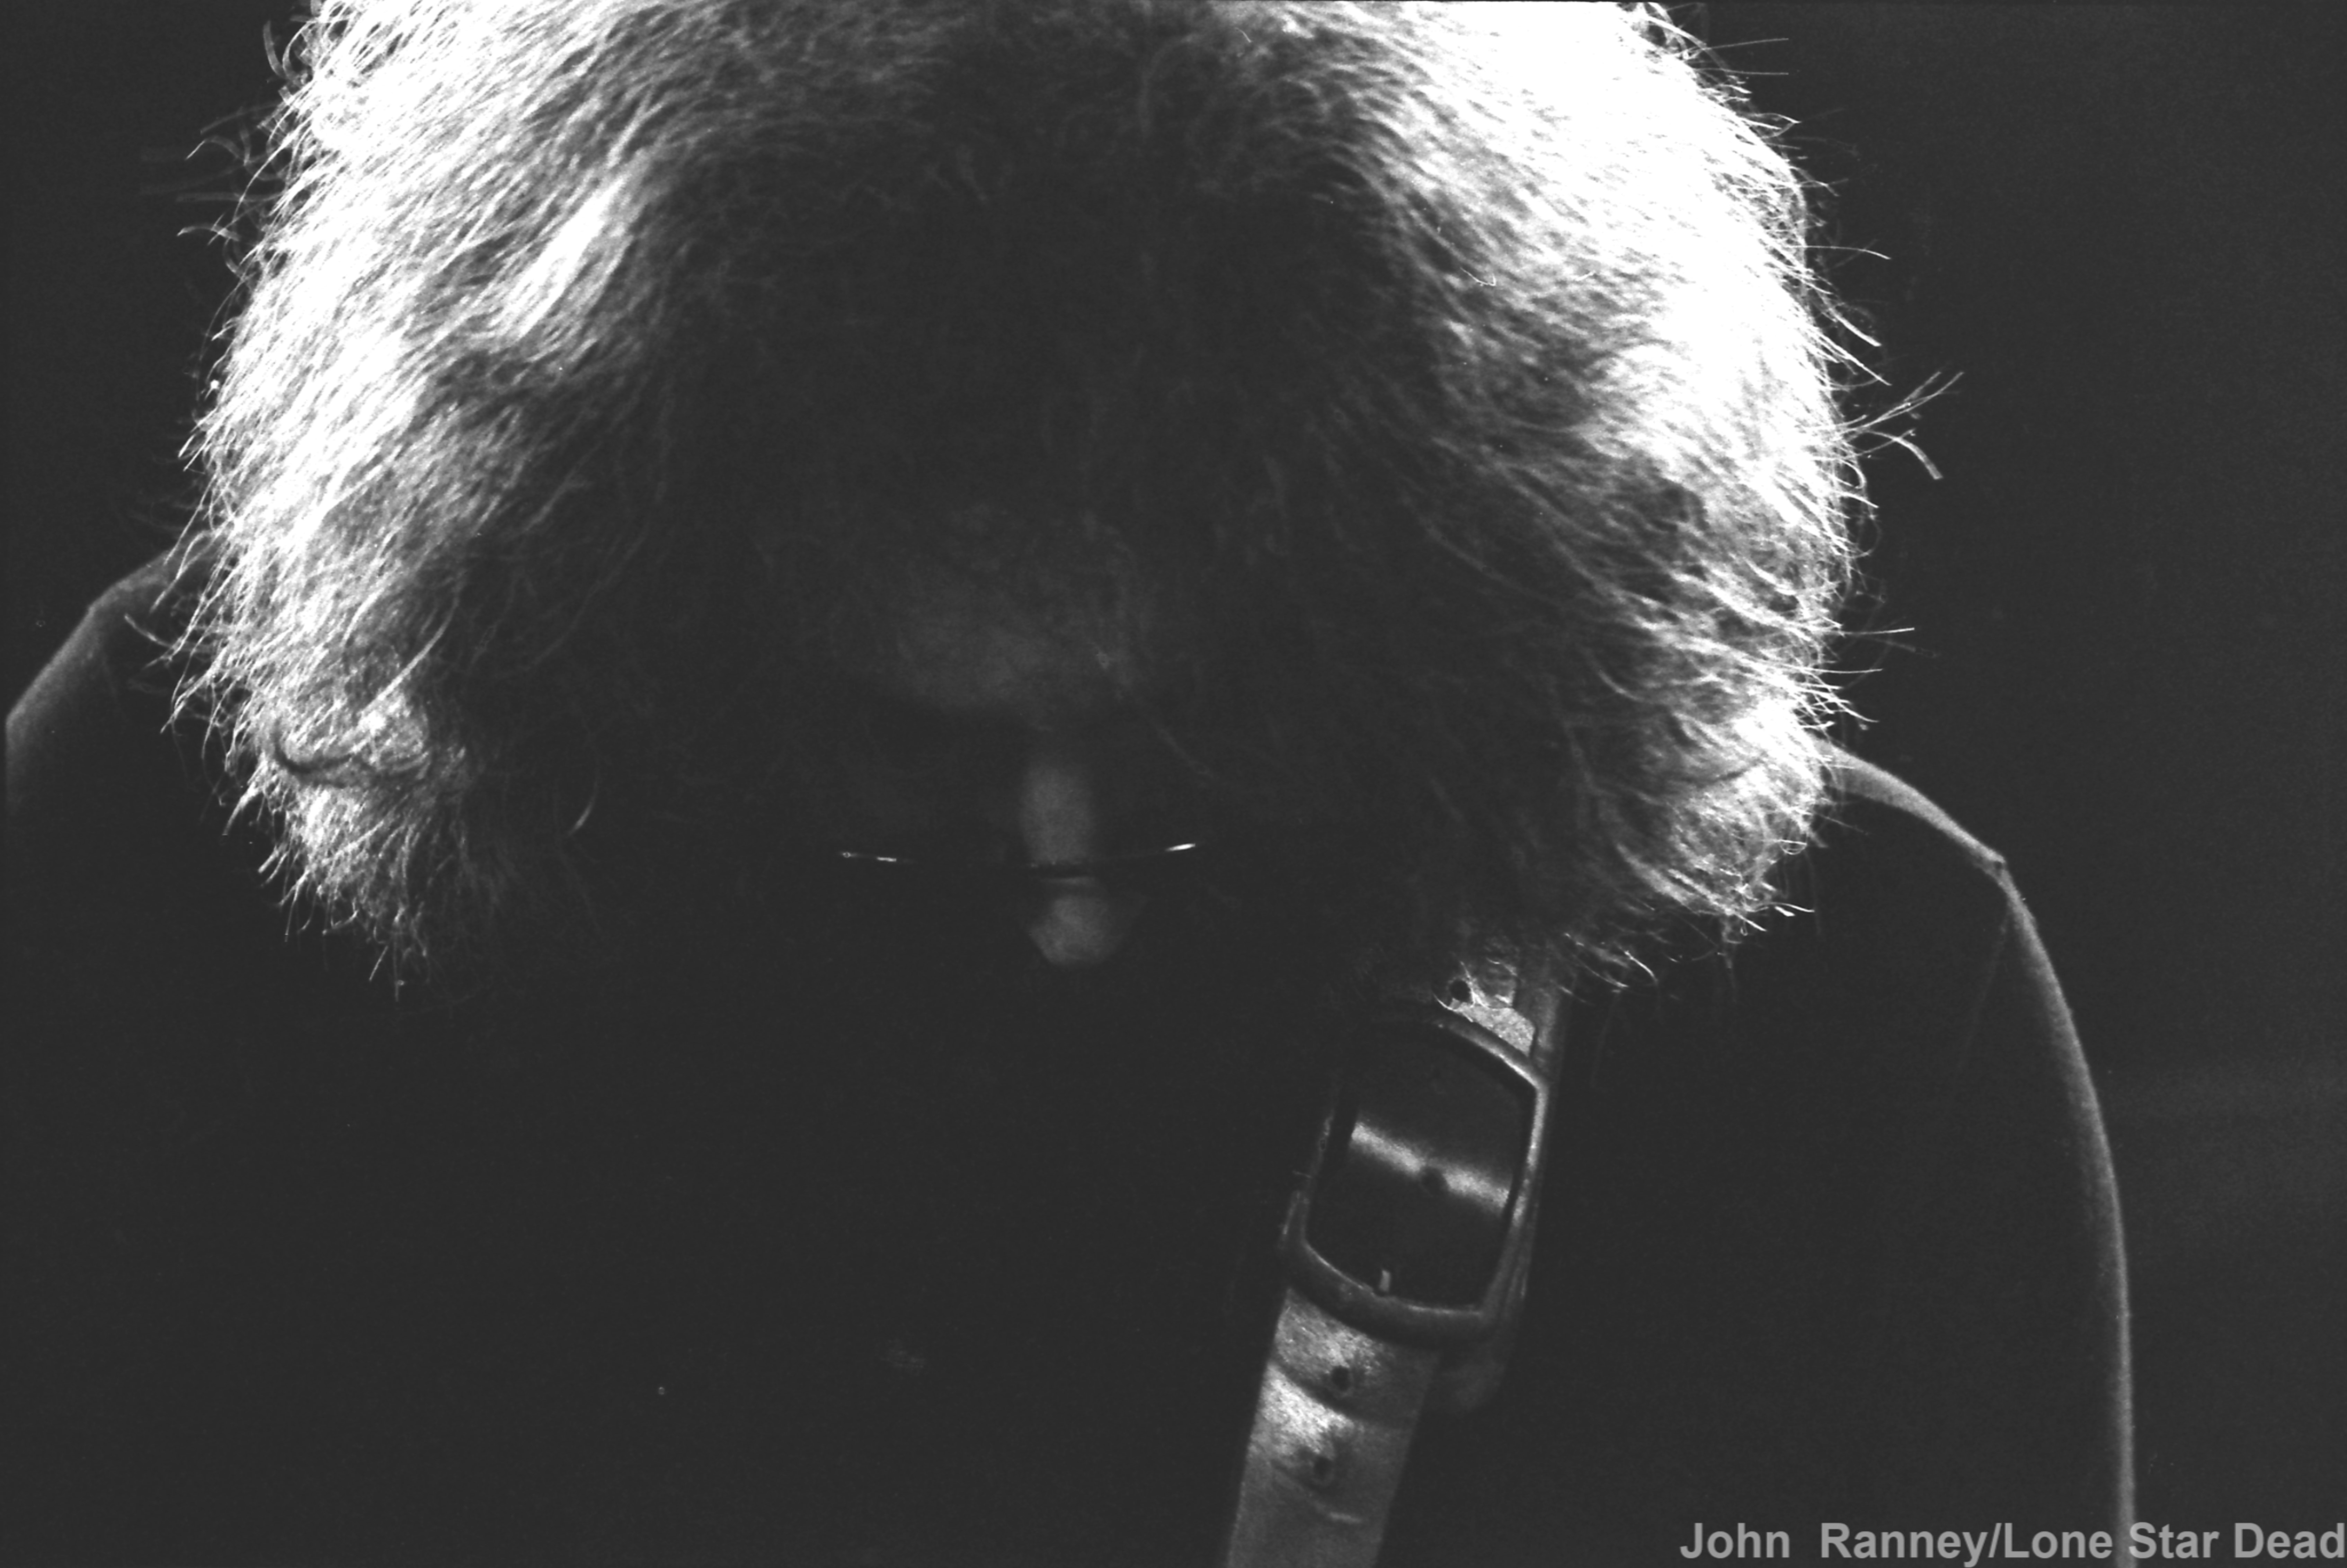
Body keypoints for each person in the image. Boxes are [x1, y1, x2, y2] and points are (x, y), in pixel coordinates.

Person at [5, 2, 2130, 1562]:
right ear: (638, 613)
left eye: (1184, 742)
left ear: (1430, 603)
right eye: (900, 750)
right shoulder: (176, 851)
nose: (1074, 899)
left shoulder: (1857, 997)